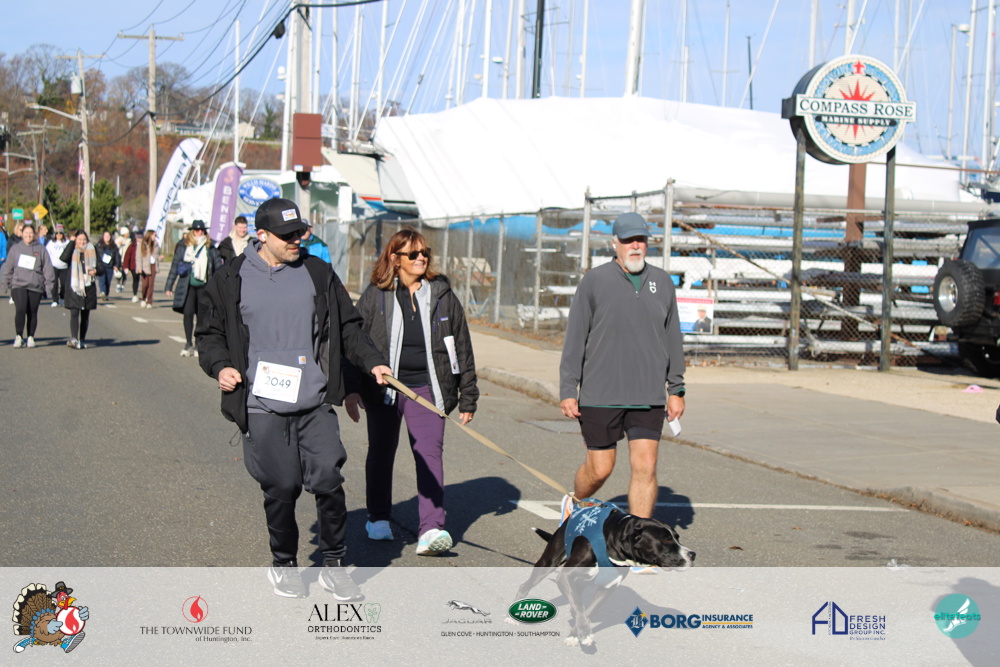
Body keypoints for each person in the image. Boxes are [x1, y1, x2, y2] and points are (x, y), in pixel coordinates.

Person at [197, 197, 391, 600]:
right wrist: (221, 367)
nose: (295, 240)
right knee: (282, 486)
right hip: (261, 404)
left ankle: (334, 563)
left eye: (299, 232)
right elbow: (210, 334)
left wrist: (372, 362)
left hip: (313, 400)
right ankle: (283, 563)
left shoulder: (317, 272)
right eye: (286, 235)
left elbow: (348, 327)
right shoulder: (231, 278)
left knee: (329, 478)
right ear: (261, 235)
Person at [347, 228, 478, 555]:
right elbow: (355, 342)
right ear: (395, 259)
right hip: (384, 388)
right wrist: (351, 388)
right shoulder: (376, 295)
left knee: (429, 453)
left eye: (425, 253)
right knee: (381, 451)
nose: (421, 258)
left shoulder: (442, 294)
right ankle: (378, 517)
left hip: (428, 387)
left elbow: (462, 344)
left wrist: (468, 394)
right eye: (413, 254)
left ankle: (431, 529)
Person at [559, 212, 686, 521]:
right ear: (614, 243)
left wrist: (676, 389)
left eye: (641, 240)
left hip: (648, 395)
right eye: (629, 240)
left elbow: (673, 339)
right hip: (601, 394)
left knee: (646, 466)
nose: (636, 246)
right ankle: (575, 501)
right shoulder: (594, 281)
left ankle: (639, 537)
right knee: (600, 469)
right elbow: (575, 338)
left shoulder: (662, 282)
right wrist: (568, 389)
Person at [165, 220, 220, 357]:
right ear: (192, 231)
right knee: (188, 313)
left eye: (201, 230)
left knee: (202, 317)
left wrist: (218, 288)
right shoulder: (184, 246)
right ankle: (188, 343)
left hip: (204, 286)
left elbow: (218, 268)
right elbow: (175, 266)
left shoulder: (210, 247)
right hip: (188, 285)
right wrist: (169, 285)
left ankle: (198, 344)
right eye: (196, 230)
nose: (199, 232)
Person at [0, 224, 55, 348]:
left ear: (34, 234)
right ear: (22, 234)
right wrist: (5, 283)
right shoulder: (16, 249)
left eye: (30, 233)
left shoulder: (41, 249)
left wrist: (48, 286)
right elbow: (8, 267)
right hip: (18, 284)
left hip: (35, 285)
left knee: (32, 312)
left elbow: (47, 269)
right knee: (20, 309)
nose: (28, 235)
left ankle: (30, 336)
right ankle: (19, 336)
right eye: (26, 233)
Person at [60, 230, 103, 349]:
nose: (82, 242)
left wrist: (96, 271)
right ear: (75, 240)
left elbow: (101, 268)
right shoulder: (72, 250)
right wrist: (71, 243)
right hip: (75, 286)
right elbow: (63, 258)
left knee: (85, 315)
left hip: (88, 286)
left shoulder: (92, 250)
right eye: (79, 239)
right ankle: (74, 338)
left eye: (84, 239)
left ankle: (82, 339)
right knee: (74, 312)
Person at [46, 225, 71, 307]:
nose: (58, 235)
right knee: (54, 284)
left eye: (60, 233)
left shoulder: (67, 242)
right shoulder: (51, 243)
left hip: (64, 266)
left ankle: (62, 297)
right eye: (57, 233)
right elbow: (47, 253)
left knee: (64, 284)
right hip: (54, 266)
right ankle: (55, 300)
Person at [95, 230, 120, 301]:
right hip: (101, 266)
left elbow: (117, 256)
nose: (107, 237)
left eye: (108, 236)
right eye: (105, 236)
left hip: (110, 266)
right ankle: (102, 292)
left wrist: (117, 265)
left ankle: (106, 294)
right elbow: (96, 256)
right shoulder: (98, 245)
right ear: (103, 237)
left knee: (108, 281)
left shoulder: (114, 246)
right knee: (102, 279)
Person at [137, 230, 159, 309]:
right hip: (145, 266)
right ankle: (143, 298)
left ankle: (149, 301)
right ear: (149, 235)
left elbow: (157, 255)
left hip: (153, 266)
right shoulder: (142, 244)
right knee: (145, 284)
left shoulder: (156, 244)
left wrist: (159, 260)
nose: (154, 237)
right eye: (153, 235)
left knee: (151, 285)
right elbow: (138, 256)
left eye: (155, 235)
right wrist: (139, 268)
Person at [118, 226, 140, 301]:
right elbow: (127, 255)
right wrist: (126, 266)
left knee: (139, 280)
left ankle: (143, 295)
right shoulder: (131, 245)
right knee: (134, 278)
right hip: (129, 263)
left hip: (142, 265)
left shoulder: (130, 242)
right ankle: (134, 294)